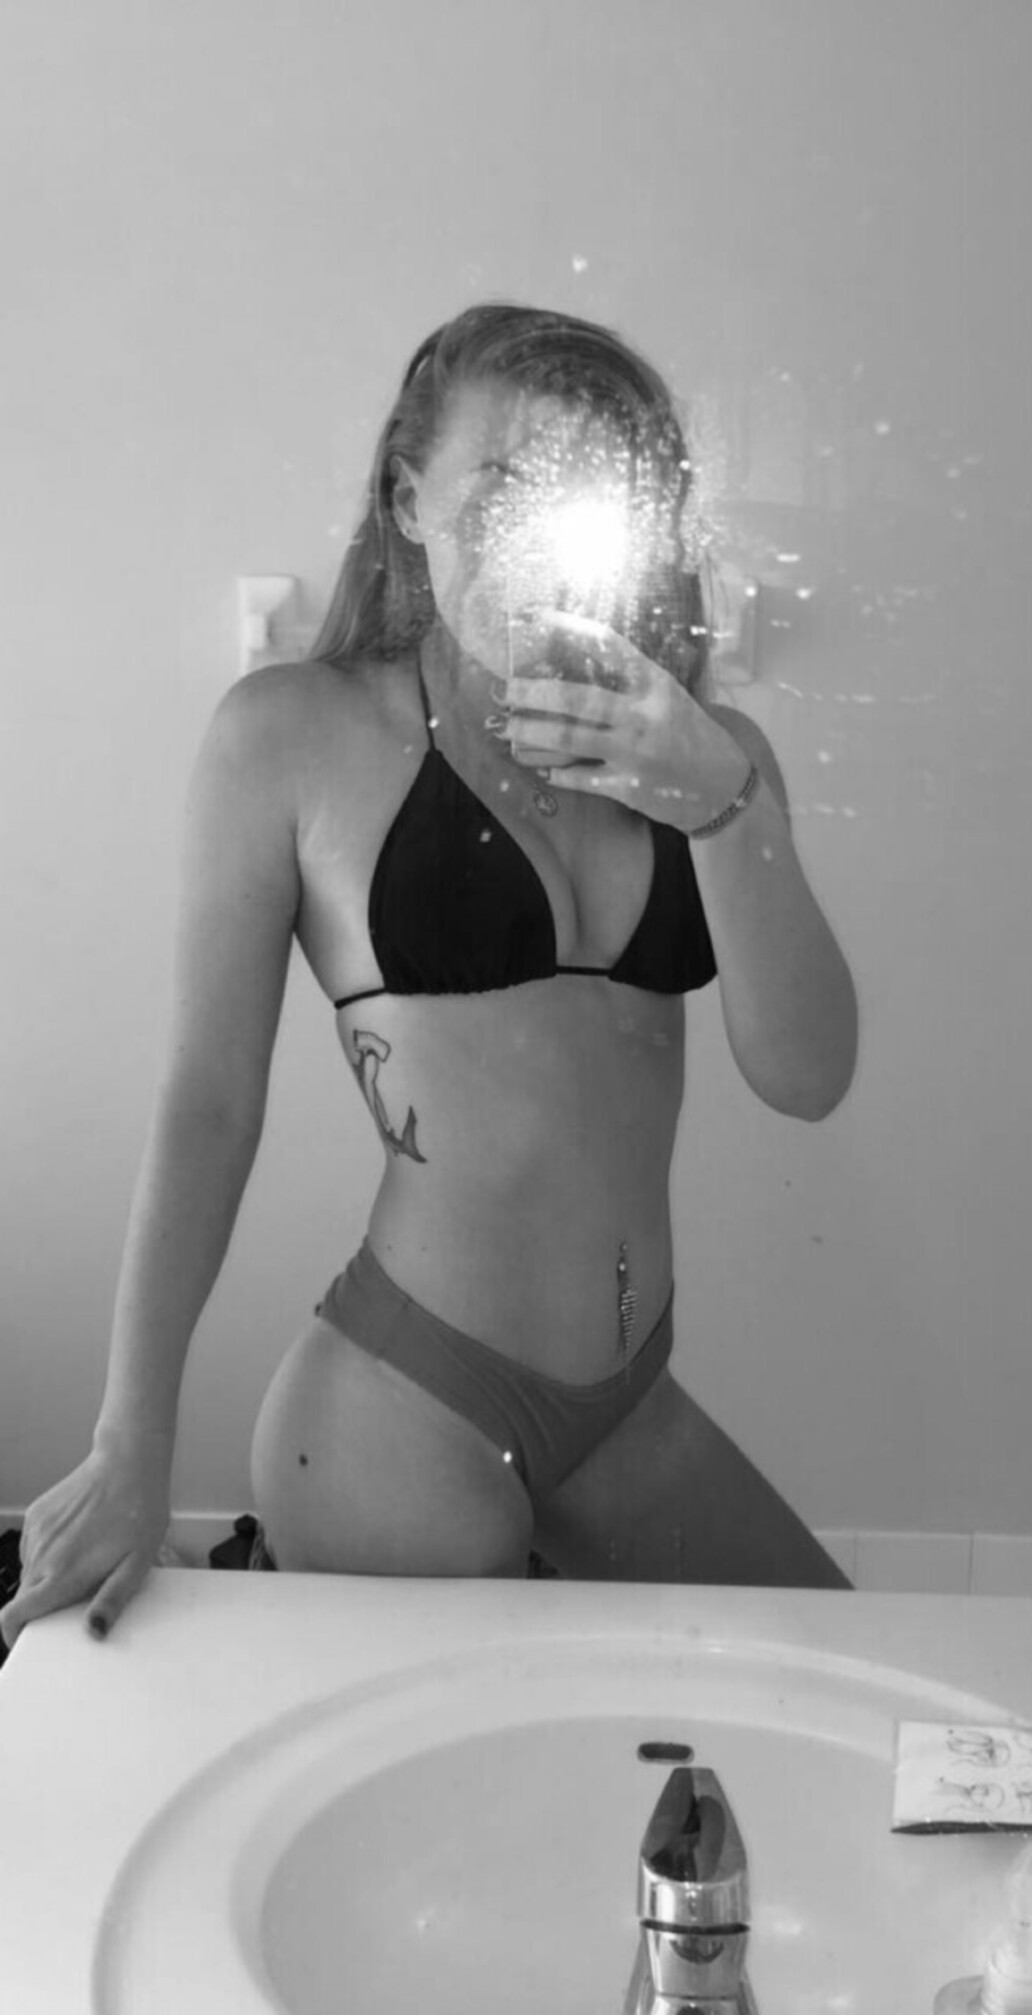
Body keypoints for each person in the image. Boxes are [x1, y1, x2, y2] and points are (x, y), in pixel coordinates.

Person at [0, 304, 858, 1654]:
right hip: (403, 1409)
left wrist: (727, 807)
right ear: (410, 499)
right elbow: (209, 1106)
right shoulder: (292, 737)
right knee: (492, 1783)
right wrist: (130, 1442)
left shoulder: (714, 755)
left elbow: (808, 1078)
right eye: (498, 487)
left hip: (630, 1406)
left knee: (844, 1687)